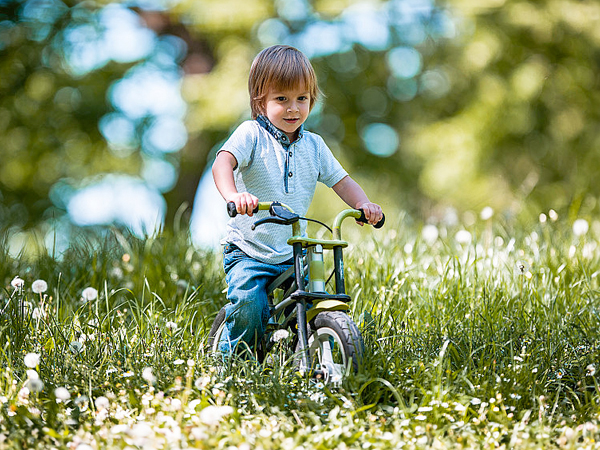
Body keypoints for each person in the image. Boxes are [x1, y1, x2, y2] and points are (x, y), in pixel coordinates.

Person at [212, 44, 383, 355]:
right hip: (249, 251)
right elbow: (222, 163)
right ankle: (227, 364)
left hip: (292, 251)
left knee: (312, 298)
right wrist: (234, 196)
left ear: (311, 100)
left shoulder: (314, 146)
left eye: (301, 99)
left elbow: (342, 181)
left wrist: (363, 205)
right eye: (282, 99)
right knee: (251, 305)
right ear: (259, 101)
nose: (293, 108)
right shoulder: (251, 134)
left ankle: (307, 354)